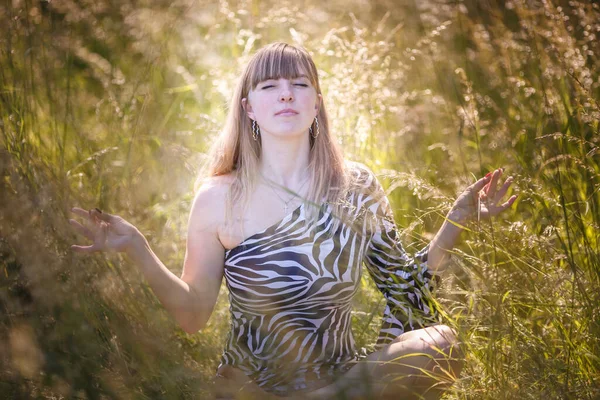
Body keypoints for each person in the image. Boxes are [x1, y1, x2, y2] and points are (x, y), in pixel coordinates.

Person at [69, 42, 517, 399]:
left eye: (298, 84)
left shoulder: (356, 186)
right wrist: (138, 248)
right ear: (249, 109)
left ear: (316, 103)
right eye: (269, 87)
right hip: (252, 387)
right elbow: (192, 316)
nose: (286, 93)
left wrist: (456, 220)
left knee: (443, 343)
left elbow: (404, 288)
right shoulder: (218, 197)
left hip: (340, 378)